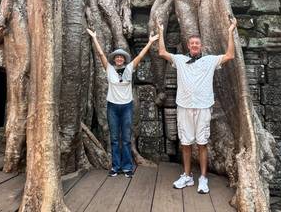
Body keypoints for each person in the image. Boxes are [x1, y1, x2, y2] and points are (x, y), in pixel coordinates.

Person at [157, 17, 237, 193]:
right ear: (188, 45)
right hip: (184, 107)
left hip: (203, 107)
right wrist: (160, 32)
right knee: (185, 143)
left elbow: (230, 55)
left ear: (201, 46)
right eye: (192, 43)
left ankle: (203, 178)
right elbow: (162, 52)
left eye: (197, 43)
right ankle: (187, 176)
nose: (194, 46)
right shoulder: (179, 60)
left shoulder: (209, 61)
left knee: (202, 143)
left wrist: (231, 32)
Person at [87, 28, 159, 178]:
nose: (119, 59)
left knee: (126, 139)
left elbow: (140, 56)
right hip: (112, 107)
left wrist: (150, 42)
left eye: (121, 57)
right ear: (114, 59)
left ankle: (127, 167)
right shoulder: (110, 69)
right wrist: (94, 38)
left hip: (126, 107)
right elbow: (100, 54)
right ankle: (115, 166)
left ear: (124, 59)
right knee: (114, 138)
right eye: (117, 57)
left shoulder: (129, 69)